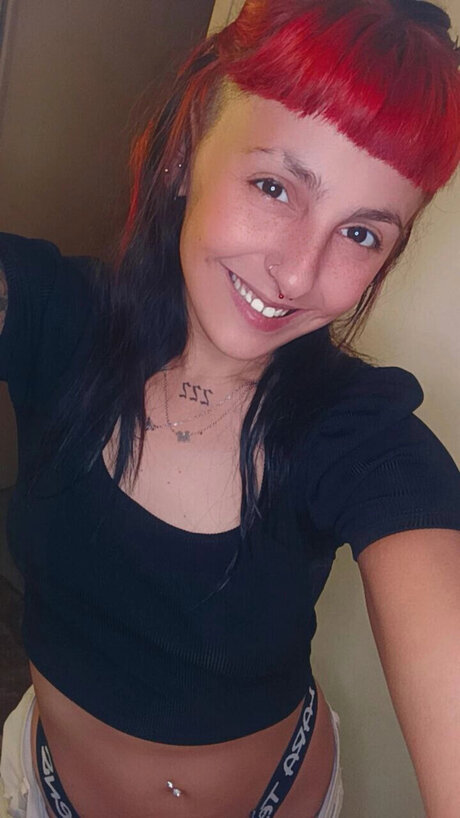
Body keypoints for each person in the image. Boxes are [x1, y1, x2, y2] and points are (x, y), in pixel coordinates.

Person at [0, 0, 459, 815]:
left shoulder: (360, 439)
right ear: (185, 153)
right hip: (42, 791)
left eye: (362, 234)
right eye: (275, 186)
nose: (297, 273)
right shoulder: (52, 315)